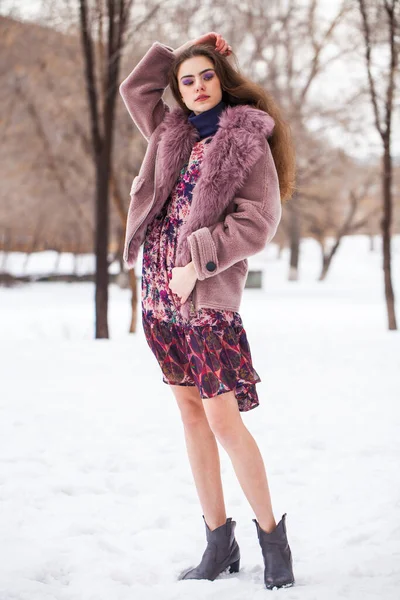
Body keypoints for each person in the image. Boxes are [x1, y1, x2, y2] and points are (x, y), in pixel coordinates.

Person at [119, 31, 296, 590]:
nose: (196, 87)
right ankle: (218, 542)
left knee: (223, 419)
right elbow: (137, 86)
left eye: (207, 75)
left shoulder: (246, 141)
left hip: (207, 299)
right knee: (191, 417)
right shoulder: (168, 133)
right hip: (157, 295)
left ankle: (274, 539)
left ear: (223, 80)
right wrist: (188, 49)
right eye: (187, 79)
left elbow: (257, 223)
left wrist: (197, 262)